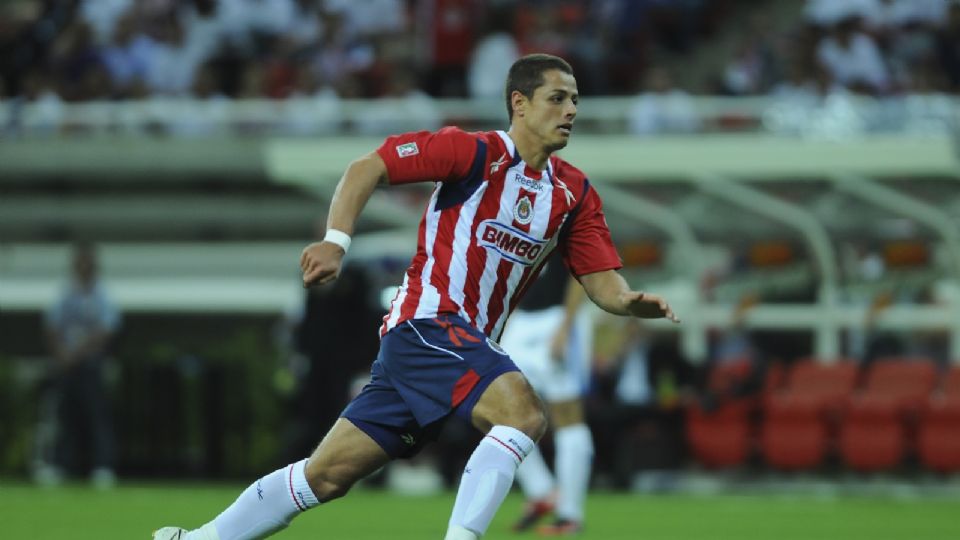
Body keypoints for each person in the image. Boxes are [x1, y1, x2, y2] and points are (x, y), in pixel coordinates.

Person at [154, 53, 678, 540]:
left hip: (450, 346)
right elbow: (369, 166)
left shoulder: (574, 194)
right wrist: (336, 242)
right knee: (523, 414)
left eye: (576, 100)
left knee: (326, 476)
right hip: (428, 324)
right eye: (557, 98)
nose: (571, 110)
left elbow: (603, 283)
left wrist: (631, 302)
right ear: (519, 103)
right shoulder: (473, 152)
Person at [498, 257, 593, 535]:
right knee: (499, 411)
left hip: (557, 318)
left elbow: (582, 272)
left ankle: (569, 514)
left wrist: (567, 326)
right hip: (520, 322)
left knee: (567, 415)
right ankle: (542, 492)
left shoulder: (572, 217)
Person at [43, 241, 120, 488]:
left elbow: (107, 329)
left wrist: (79, 352)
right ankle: (59, 466)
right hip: (67, 366)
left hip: (91, 366)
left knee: (97, 417)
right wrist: (63, 354)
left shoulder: (102, 295)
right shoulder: (66, 293)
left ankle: (102, 467)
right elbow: (52, 326)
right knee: (65, 417)